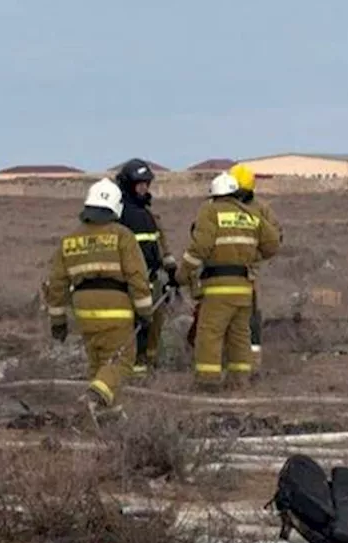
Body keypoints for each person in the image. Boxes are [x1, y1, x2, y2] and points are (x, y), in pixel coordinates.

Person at [45, 178, 153, 424]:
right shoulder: (122, 236)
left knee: (98, 363)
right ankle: (93, 398)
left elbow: (57, 283)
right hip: (115, 307)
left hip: (83, 310)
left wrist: (58, 321)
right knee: (122, 361)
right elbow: (137, 276)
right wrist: (145, 312)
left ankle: (105, 416)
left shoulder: (70, 240)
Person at [177, 173, 280, 391]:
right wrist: (251, 256)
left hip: (218, 288)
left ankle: (207, 383)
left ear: (214, 195)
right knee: (240, 336)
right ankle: (240, 383)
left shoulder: (210, 211)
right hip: (244, 289)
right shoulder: (251, 213)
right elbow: (272, 244)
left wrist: (182, 275)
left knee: (210, 334)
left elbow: (200, 248)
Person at [112, 159, 178, 375]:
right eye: (140, 184)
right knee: (135, 327)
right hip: (129, 282)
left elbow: (160, 244)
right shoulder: (119, 214)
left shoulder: (149, 214)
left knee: (153, 326)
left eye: (147, 184)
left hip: (153, 279)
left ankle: (149, 365)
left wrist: (171, 272)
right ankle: (133, 370)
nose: (144, 188)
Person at [229, 163, 282, 373]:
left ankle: (252, 361)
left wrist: (255, 254)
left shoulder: (261, 209)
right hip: (224, 271)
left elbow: (275, 237)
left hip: (247, 273)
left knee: (249, 317)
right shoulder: (220, 206)